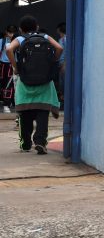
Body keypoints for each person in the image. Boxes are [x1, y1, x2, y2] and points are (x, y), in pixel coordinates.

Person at [5, 15, 62, 154]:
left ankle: (25, 143)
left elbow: (8, 49)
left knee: (25, 115)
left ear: (20, 29)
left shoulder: (20, 39)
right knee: (42, 113)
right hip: (44, 82)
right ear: (36, 26)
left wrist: (15, 66)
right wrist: (51, 63)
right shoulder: (45, 37)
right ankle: (40, 142)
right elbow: (59, 48)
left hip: (26, 82)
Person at [1, 24, 15, 114]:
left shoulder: (17, 41)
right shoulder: (2, 41)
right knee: (4, 84)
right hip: (3, 65)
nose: (11, 34)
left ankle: (8, 103)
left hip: (12, 65)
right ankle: (5, 103)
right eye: (10, 32)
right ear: (6, 32)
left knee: (10, 85)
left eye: (13, 32)